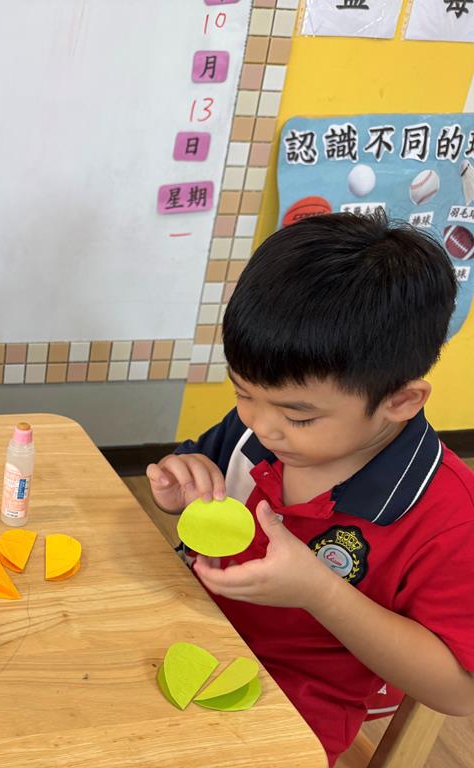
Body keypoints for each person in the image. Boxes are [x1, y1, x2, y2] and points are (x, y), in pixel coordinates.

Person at [147, 213, 474, 764]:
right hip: (185, 631)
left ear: (400, 401)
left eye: (299, 417)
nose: (262, 426)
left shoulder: (448, 516)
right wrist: (178, 484)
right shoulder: (256, 431)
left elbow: (458, 692)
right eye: (242, 392)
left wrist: (320, 593)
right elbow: (197, 474)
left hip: (298, 700)